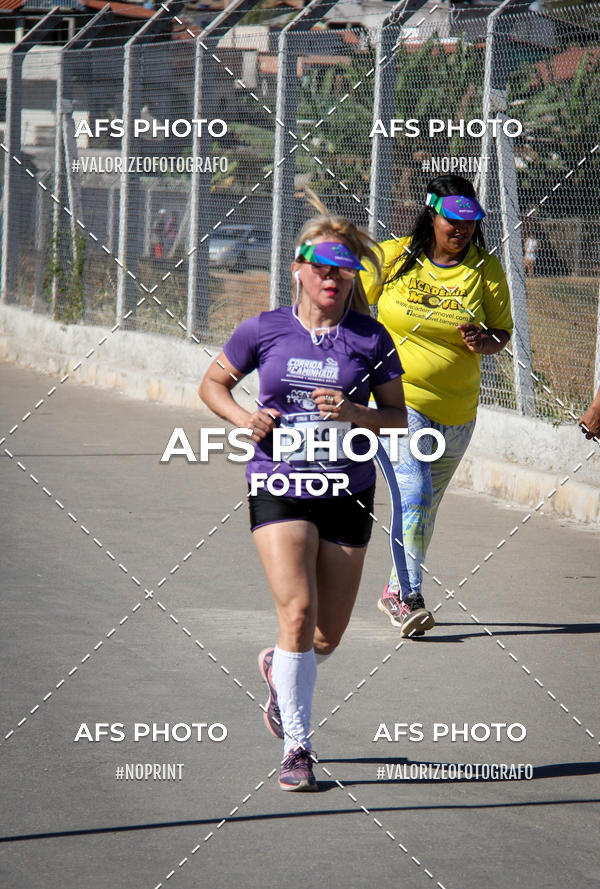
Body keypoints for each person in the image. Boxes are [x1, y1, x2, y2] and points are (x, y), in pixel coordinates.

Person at [199, 215, 407, 791]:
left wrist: (356, 412)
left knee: (324, 637)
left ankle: (278, 667)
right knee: (297, 611)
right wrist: (246, 418)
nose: (332, 278)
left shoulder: (371, 338)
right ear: (298, 270)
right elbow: (212, 385)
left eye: (344, 269)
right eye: (322, 268)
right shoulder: (264, 329)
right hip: (278, 483)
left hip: (347, 489)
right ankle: (298, 746)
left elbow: (398, 417)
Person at [361, 175, 513, 637]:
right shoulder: (393, 257)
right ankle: (410, 598)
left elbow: (502, 333)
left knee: (424, 508)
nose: (462, 229)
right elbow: (352, 311)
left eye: (471, 221)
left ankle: (393, 591)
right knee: (415, 493)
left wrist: (484, 341)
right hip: (398, 401)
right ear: (432, 214)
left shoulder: (485, 269)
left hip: (458, 412)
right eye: (453, 220)